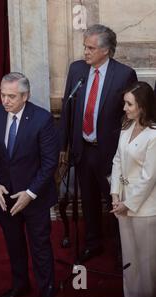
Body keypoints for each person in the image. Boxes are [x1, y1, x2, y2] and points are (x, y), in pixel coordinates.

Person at [59, 24, 138, 263]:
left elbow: (131, 117)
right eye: (85, 47)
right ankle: (93, 243)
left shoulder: (124, 74)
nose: (86, 52)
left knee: (115, 202)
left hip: (111, 154)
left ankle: (122, 247)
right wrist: (64, 147)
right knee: (89, 200)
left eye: (91, 48)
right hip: (83, 149)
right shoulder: (76, 70)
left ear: (106, 51)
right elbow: (67, 108)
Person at [0, 72, 59, 297]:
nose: (5, 101)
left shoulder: (42, 119)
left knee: (40, 247)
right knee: (14, 245)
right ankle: (20, 285)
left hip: (34, 197)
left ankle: (46, 291)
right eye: (2, 95)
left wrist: (30, 193)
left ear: (25, 96)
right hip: (4, 197)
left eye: (11, 96)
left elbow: (49, 163)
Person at [110, 81, 156, 297]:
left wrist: (127, 204)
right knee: (130, 261)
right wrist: (115, 194)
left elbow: (149, 178)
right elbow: (117, 160)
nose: (124, 108)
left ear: (143, 106)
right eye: (125, 103)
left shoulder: (154, 135)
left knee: (146, 264)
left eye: (129, 104)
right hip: (122, 205)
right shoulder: (126, 127)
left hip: (145, 210)